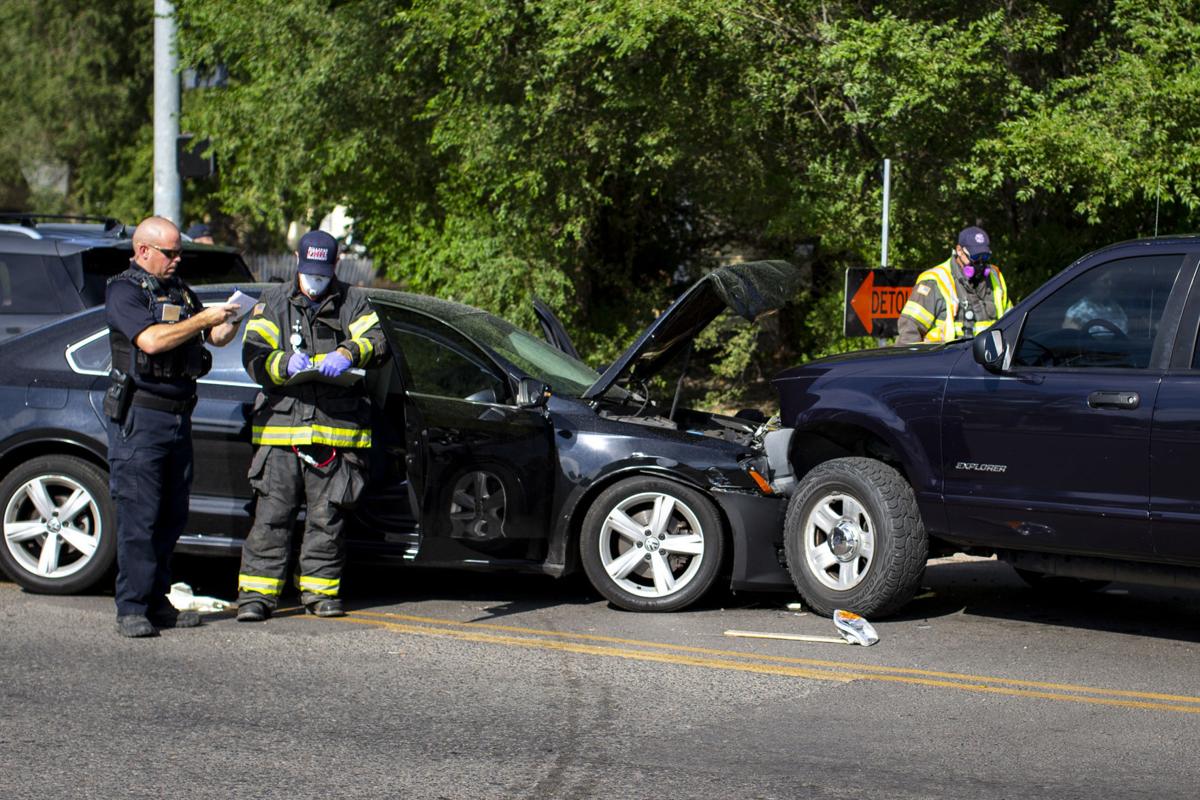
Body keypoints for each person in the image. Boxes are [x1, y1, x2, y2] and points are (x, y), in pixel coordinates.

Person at [236, 230, 388, 622]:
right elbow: (254, 356)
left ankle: (319, 595)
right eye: (309, 272)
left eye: (322, 273)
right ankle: (256, 596)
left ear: (334, 266)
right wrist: (282, 364)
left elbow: (377, 340)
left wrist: (347, 351)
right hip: (281, 432)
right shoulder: (272, 301)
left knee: (327, 518)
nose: (315, 280)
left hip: (335, 432)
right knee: (271, 517)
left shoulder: (353, 300)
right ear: (298, 263)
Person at [106, 216, 240, 637]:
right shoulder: (125, 290)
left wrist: (231, 318)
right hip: (141, 418)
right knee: (139, 516)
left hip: (178, 415)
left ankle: (157, 600)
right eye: (171, 252)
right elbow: (151, 341)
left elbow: (213, 338)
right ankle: (131, 607)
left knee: (171, 516)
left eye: (179, 252)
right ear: (144, 250)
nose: (178, 259)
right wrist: (204, 322)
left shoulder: (179, 290)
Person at [896, 226, 1013, 345]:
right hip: (944, 361)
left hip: (986, 360)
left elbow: (1012, 323)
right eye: (975, 257)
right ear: (959, 251)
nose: (981, 263)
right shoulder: (934, 281)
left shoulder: (995, 277)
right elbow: (909, 332)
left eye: (985, 257)